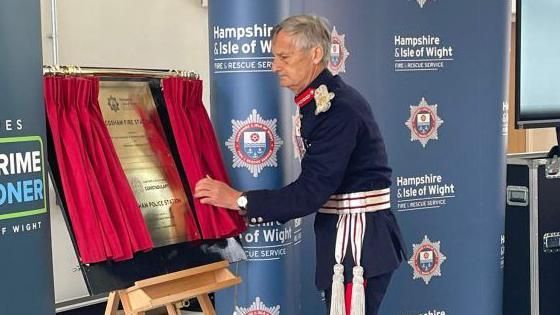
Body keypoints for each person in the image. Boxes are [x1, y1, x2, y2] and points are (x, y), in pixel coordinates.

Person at [195, 15, 406, 315]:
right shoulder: (321, 103)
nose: (274, 66)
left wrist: (237, 199)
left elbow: (310, 193)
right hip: (347, 237)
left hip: (358, 243)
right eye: (274, 57)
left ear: (315, 54)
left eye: (284, 57)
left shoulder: (337, 110)